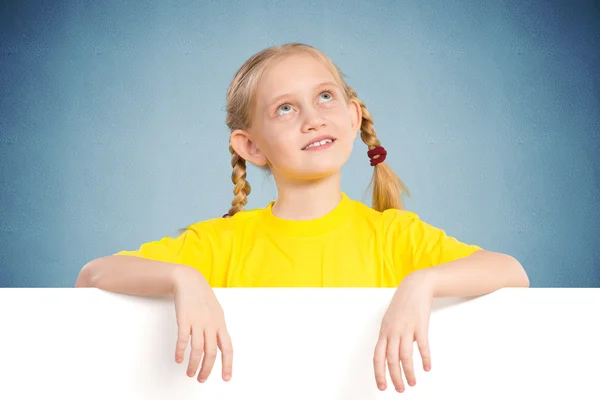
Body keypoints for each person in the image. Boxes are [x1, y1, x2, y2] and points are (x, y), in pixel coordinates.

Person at [76, 43, 530, 393]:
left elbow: (512, 273)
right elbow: (92, 275)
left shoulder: (394, 236)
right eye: (286, 108)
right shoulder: (220, 244)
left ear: (353, 118)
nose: (313, 119)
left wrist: (422, 284)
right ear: (251, 147)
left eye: (326, 97)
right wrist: (182, 278)